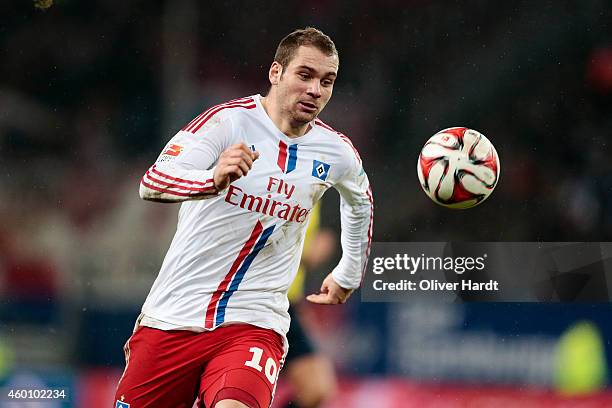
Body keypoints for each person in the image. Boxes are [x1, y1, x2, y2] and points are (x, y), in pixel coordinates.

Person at [114, 27, 373, 408]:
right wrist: (211, 180)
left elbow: (361, 202)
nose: (316, 90)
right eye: (305, 75)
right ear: (275, 73)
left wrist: (349, 272)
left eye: (327, 81)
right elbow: (152, 182)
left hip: (255, 322)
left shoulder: (336, 152)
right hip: (174, 316)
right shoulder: (226, 123)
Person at [283, 203, 338, 408]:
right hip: (259, 301)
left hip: (288, 303)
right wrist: (307, 251)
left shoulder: (321, 186)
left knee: (317, 389)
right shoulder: (284, 179)